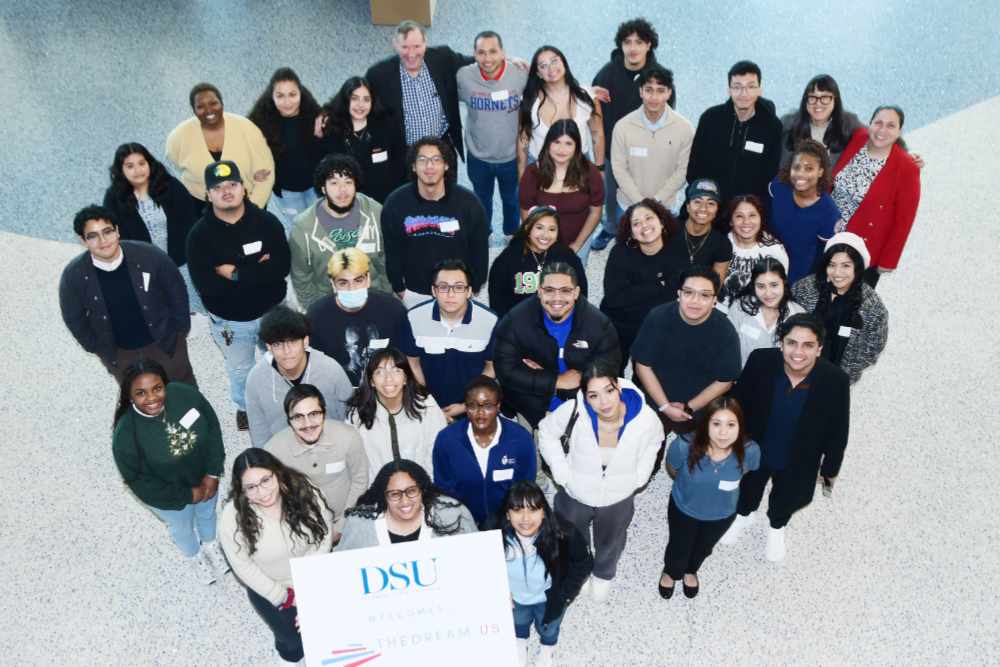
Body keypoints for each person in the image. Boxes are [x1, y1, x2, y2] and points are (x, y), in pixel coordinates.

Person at [724, 313, 850, 562]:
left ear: (819, 349)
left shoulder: (836, 380)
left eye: (808, 345)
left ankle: (777, 526)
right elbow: (738, 401)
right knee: (750, 484)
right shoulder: (760, 360)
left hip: (800, 453)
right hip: (757, 444)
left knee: (790, 493)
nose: (798, 352)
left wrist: (831, 467)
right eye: (791, 343)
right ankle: (744, 514)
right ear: (780, 343)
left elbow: (838, 428)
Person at [538, 363, 663, 602]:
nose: (604, 402)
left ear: (619, 387)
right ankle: (580, 570)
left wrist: (640, 477)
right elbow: (546, 432)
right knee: (571, 534)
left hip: (618, 494)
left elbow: (654, 442)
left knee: (611, 538)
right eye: (593, 395)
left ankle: (603, 574)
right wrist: (562, 472)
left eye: (609, 391)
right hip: (576, 491)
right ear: (585, 397)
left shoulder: (645, 418)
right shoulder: (574, 410)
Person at [186, 161, 291, 430]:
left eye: (232, 184)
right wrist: (259, 268)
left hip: (273, 312)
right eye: (218, 187)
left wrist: (236, 274)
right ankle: (246, 407)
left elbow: (281, 267)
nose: (226, 191)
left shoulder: (267, 223)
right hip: (231, 322)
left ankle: (289, 400)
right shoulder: (199, 237)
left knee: (284, 359)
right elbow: (208, 286)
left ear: (243, 188)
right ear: (208, 194)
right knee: (241, 370)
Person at [111, 360, 225, 584]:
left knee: (207, 513)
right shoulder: (126, 435)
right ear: (130, 396)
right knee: (182, 527)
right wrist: (186, 496)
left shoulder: (186, 395)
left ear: (165, 384)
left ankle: (211, 544)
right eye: (141, 393)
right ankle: (195, 556)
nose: (152, 398)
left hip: (204, 478)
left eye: (157, 388)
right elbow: (139, 483)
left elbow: (212, 427)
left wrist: (212, 473)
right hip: (168, 496)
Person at [219, 448, 334, 666]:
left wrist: (308, 590)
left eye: (266, 480)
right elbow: (243, 566)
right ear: (241, 490)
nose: (262, 493)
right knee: (291, 642)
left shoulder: (305, 489)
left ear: (277, 473)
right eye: (251, 487)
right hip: (272, 588)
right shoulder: (231, 519)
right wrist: (286, 598)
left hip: (313, 576)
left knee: (324, 629)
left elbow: (324, 533)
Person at [59, 205, 195, 385]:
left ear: (117, 231)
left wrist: (178, 334)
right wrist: (98, 347)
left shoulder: (150, 256)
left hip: (166, 345)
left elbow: (177, 293)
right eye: (93, 236)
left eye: (107, 231)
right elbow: (74, 318)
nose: (103, 241)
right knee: (141, 406)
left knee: (185, 395)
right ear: (83, 240)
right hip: (122, 356)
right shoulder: (73, 275)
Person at [494, 262, 621, 429]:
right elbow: (505, 371)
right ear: (539, 291)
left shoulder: (599, 325)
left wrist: (553, 382)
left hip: (584, 409)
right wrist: (556, 381)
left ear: (576, 293)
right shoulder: (515, 321)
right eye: (549, 290)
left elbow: (609, 371)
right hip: (531, 407)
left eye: (565, 291)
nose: (556, 298)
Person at [660, 397, 759, 599]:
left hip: (722, 514)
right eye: (716, 424)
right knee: (679, 545)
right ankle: (671, 572)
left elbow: (748, 472)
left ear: (740, 426)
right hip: (684, 508)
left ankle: (691, 570)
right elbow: (672, 468)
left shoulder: (750, 450)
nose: (723, 432)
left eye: (731, 424)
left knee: (704, 547)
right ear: (705, 425)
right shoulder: (684, 445)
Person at [380, 136, 489, 307]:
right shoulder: (395, 204)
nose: (429, 166)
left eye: (436, 160)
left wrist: (473, 287)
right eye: (422, 160)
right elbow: (392, 251)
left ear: (446, 165)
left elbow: (480, 251)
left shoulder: (469, 204)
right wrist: (399, 288)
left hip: (457, 291)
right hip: (414, 292)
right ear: (414, 166)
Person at [632, 266, 741, 434]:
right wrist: (664, 406)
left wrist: (689, 407)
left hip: (700, 407)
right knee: (646, 452)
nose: (695, 301)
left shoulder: (725, 330)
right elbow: (642, 365)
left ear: (714, 301)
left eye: (704, 295)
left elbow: (725, 381)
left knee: (693, 456)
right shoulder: (657, 317)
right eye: (688, 292)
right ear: (679, 294)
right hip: (655, 398)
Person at [496, 481, 593, 667]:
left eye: (532, 510)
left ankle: (547, 647)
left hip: (548, 597)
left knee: (548, 627)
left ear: (543, 512)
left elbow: (584, 563)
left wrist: (565, 595)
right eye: (517, 510)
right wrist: (498, 589)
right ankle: (520, 641)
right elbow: (484, 566)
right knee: (518, 622)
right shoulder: (495, 533)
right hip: (514, 598)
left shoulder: (563, 533)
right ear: (507, 515)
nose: (525, 518)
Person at [590, 17, 665, 252]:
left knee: (644, 194)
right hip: (615, 149)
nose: (633, 48)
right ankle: (611, 227)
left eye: (639, 42)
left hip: (646, 151)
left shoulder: (659, 76)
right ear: (620, 45)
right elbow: (593, 112)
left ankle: (643, 230)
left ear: (649, 45)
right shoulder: (607, 74)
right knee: (611, 194)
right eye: (627, 42)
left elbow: (666, 115)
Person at [832, 105, 921, 287]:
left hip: (862, 250)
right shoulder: (858, 139)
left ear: (899, 131)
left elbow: (904, 220)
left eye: (890, 125)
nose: (882, 130)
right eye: (878, 123)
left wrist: (888, 261)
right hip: (829, 238)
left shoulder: (907, 167)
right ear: (870, 124)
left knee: (849, 308)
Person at [289, 153, 389, 310]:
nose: (342, 190)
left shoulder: (375, 212)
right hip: (330, 304)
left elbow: (385, 262)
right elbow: (301, 279)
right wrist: (318, 312)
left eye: (348, 182)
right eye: (334, 183)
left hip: (374, 299)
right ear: (323, 188)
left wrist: (385, 300)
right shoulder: (303, 228)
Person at [432, 376, 536, 526]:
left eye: (487, 406)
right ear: (466, 407)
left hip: (507, 522)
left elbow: (525, 487)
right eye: (473, 406)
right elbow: (443, 488)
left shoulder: (520, 439)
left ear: (498, 406)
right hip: (462, 522)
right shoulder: (447, 440)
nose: (480, 413)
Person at [264, 384, 368, 533]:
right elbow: (273, 498)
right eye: (298, 417)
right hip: (300, 529)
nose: (308, 424)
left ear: (324, 413)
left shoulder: (348, 436)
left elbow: (360, 480)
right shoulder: (272, 452)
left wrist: (342, 526)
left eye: (314, 414)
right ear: (289, 420)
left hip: (347, 521)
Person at [401, 259, 498, 420]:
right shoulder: (414, 317)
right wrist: (428, 402)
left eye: (459, 287)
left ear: (469, 291)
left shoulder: (489, 320)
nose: (450, 294)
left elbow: (491, 367)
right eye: (443, 287)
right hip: (427, 406)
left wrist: (466, 405)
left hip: (473, 408)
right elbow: (412, 363)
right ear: (433, 290)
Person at [245, 305, 352, 447]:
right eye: (278, 344)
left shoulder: (330, 370)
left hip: (329, 448)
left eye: (293, 342)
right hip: (283, 456)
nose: (286, 351)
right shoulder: (256, 379)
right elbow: (258, 431)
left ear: (305, 341)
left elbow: (350, 417)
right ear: (269, 347)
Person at [457, 30, 529, 237]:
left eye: (493, 52)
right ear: (474, 54)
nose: (487, 59)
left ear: (503, 53)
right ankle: (483, 234)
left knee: (511, 200)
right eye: (481, 53)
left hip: (511, 156)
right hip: (478, 157)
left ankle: (510, 234)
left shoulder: (519, 74)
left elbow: (551, 81)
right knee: (481, 199)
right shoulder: (464, 76)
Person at [791, 233, 888, 384]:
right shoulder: (804, 288)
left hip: (835, 380)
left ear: (858, 267)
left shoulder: (873, 308)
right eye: (832, 265)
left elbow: (873, 348)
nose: (837, 273)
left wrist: (849, 371)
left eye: (846, 265)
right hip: (794, 370)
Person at [364, 20, 473, 154]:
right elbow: (357, 98)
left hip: (441, 143)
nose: (411, 54)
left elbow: (475, 63)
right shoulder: (378, 75)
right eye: (404, 47)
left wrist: (501, 62)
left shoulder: (443, 57)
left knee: (446, 175)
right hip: (404, 150)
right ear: (395, 45)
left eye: (417, 46)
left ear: (425, 43)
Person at [166, 82, 274, 215]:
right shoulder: (178, 137)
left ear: (222, 103)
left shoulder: (247, 128)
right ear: (193, 109)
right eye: (200, 106)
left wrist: (252, 210)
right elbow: (175, 161)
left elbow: (266, 175)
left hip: (249, 201)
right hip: (203, 205)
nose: (209, 110)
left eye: (213, 103)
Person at [306, 247, 408, 387]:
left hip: (386, 388)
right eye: (343, 282)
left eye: (358, 280)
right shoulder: (316, 316)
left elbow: (405, 358)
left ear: (368, 279)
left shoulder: (393, 310)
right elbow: (314, 366)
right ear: (332, 283)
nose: (351, 288)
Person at [600, 198, 680, 375]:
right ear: (631, 233)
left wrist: (634, 291)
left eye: (649, 218)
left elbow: (676, 296)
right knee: (610, 374)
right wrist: (658, 284)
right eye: (636, 223)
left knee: (647, 378)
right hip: (619, 325)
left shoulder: (676, 250)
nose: (644, 225)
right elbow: (614, 299)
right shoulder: (620, 252)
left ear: (661, 222)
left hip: (656, 327)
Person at [686, 61, 782, 206]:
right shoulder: (710, 119)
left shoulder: (772, 126)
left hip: (749, 209)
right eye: (737, 87)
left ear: (759, 90)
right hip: (711, 205)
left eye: (751, 87)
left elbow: (770, 175)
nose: (744, 94)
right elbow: (694, 169)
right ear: (729, 90)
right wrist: (707, 200)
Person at [346, 348, 447, 482]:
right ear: (371, 381)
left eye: (396, 370)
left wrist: (426, 489)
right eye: (380, 372)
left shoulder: (427, 406)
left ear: (405, 378)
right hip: (377, 493)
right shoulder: (357, 414)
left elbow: (437, 454)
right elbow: (357, 465)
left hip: (422, 490)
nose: (389, 378)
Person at [247, 67, 325, 232]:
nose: (287, 102)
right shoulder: (260, 123)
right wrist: (251, 172)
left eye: (292, 94)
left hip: (315, 186)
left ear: (300, 94)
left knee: (322, 225)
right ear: (272, 96)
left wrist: (328, 113)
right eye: (280, 96)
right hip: (287, 192)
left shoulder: (314, 116)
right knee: (300, 228)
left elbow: (342, 106)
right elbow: (242, 147)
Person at [336, 459, 477, 549]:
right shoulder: (360, 524)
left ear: (422, 489)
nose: (404, 501)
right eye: (394, 494)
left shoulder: (451, 513)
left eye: (411, 491)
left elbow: (476, 558)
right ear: (383, 496)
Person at [609, 65, 693, 215]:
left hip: (665, 208)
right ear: (641, 91)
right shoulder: (622, 127)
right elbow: (619, 169)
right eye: (649, 90)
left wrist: (657, 200)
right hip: (627, 207)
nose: (654, 97)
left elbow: (683, 171)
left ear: (669, 93)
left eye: (660, 91)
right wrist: (640, 203)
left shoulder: (685, 128)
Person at [518, 120, 604, 261]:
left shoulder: (590, 172)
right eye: (556, 142)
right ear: (548, 144)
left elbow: (596, 212)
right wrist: (538, 243)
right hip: (542, 242)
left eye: (568, 143)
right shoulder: (532, 173)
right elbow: (526, 213)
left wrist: (577, 245)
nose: (561, 149)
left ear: (577, 147)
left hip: (579, 241)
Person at [103, 142, 197, 268]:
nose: (137, 170)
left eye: (142, 163)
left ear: (149, 164)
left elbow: (190, 220)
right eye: (130, 166)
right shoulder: (114, 198)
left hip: (181, 261)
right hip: (140, 266)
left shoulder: (171, 186)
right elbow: (113, 234)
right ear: (121, 170)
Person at [488, 206, 587, 318]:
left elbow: (581, 295)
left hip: (559, 321)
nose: (545, 235)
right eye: (539, 228)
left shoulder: (568, 257)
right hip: (519, 323)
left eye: (552, 229)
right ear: (527, 228)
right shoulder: (506, 260)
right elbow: (497, 302)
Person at [320, 76, 406, 204]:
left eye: (366, 99)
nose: (360, 105)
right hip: (348, 200)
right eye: (354, 98)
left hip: (383, 198)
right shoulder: (332, 129)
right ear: (345, 100)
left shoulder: (387, 125)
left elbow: (400, 162)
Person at [518, 45, 604, 173]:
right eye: (543, 65)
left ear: (563, 62)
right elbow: (522, 141)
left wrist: (600, 169)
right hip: (539, 168)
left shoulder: (587, 96)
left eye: (554, 61)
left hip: (578, 168)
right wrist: (522, 178)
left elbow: (597, 134)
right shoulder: (529, 100)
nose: (551, 68)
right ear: (538, 74)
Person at [769, 139, 842, 283]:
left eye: (809, 169)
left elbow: (823, 257)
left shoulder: (829, 213)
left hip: (797, 277)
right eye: (796, 167)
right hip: (766, 264)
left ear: (821, 172)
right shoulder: (779, 186)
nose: (800, 174)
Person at [727, 257, 805, 368]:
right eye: (761, 286)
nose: (768, 293)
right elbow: (727, 347)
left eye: (774, 285)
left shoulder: (798, 314)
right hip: (740, 379)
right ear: (753, 286)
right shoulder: (740, 307)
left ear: (784, 283)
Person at [659, 179, 733, 290]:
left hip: (698, 300)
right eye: (697, 201)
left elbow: (715, 287)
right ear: (688, 206)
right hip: (662, 296)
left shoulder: (722, 244)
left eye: (711, 203)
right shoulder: (668, 230)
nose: (703, 208)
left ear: (717, 210)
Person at [781, 74, 863, 167]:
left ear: (835, 100)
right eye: (812, 98)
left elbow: (871, 137)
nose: (818, 104)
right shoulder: (788, 123)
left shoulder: (849, 124)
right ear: (805, 101)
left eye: (825, 98)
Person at [721, 194, 790, 299]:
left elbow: (779, 288)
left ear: (761, 218)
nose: (746, 222)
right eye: (739, 216)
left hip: (756, 309)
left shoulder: (774, 249)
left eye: (752, 215)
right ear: (731, 221)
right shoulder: (722, 243)